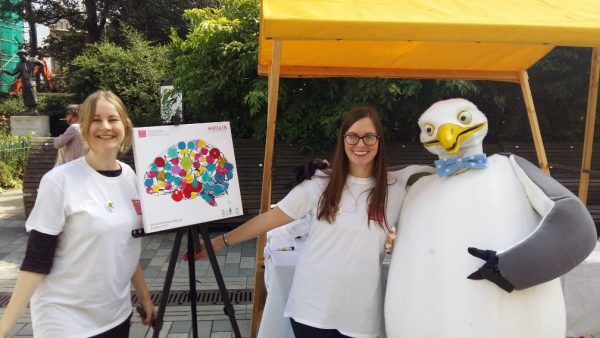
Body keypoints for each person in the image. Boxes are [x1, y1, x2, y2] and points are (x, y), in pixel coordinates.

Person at [185, 106, 407, 338]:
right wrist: (218, 243)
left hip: (361, 316)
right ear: (342, 140)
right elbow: (268, 220)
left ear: (379, 141)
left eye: (369, 136)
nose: (360, 144)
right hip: (311, 307)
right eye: (352, 136)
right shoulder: (320, 183)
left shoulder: (395, 191)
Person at [0, 90, 155, 338]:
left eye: (113, 119)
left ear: (125, 125)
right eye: (95, 119)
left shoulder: (129, 176)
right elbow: (36, 260)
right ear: (83, 127)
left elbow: (124, 245)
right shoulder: (59, 181)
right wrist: (5, 326)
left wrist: (145, 297)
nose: (105, 126)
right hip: (66, 322)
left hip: (116, 315)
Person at [1, 49, 44, 113]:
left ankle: (34, 109)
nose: (19, 57)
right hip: (24, 83)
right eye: (19, 56)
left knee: (32, 94)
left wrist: (38, 73)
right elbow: (13, 73)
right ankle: (28, 108)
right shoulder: (19, 64)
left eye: (20, 55)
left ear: (25, 54)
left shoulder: (32, 59)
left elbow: (42, 64)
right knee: (25, 95)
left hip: (31, 81)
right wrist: (4, 70)